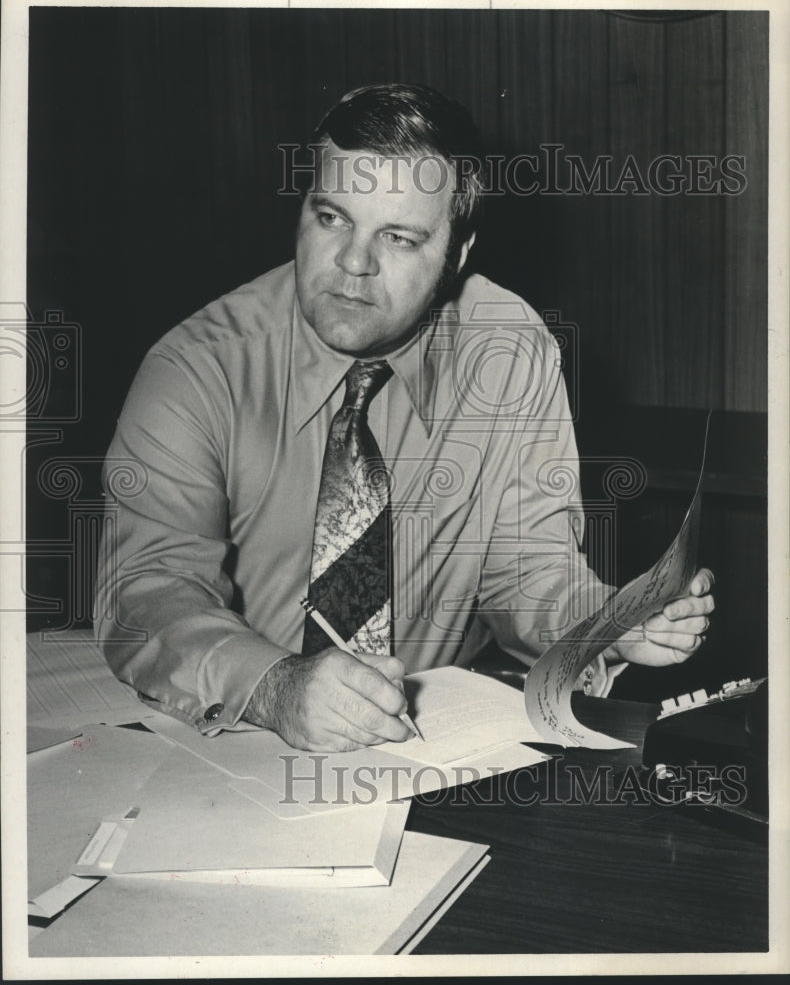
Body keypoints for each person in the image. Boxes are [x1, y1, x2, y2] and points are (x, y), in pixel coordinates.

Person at [94, 83, 715, 752]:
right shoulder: (198, 368)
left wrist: (610, 621)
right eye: (331, 217)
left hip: (428, 744)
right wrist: (275, 686)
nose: (353, 263)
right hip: (228, 732)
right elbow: (149, 593)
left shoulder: (507, 348)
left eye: (398, 237)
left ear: (458, 253)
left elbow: (526, 574)